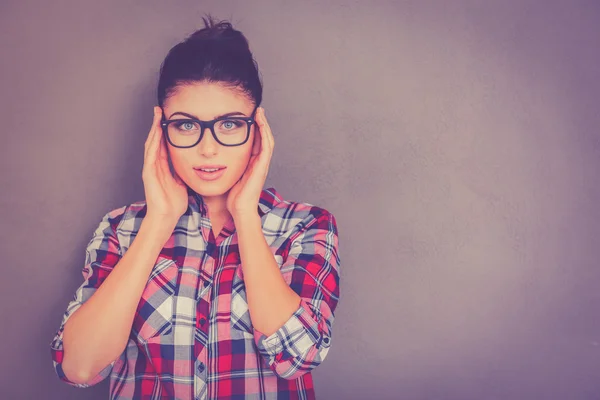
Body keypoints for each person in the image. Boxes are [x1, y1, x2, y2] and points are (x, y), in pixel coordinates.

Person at [49, 15, 341, 399]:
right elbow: (80, 368)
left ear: (257, 130)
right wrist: (159, 222)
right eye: (186, 125)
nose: (208, 148)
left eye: (231, 124)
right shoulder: (122, 228)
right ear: (161, 130)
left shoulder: (305, 226)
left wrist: (246, 216)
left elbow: (298, 358)